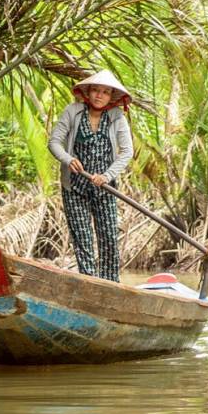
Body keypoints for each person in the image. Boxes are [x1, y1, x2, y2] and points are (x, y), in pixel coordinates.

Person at [47, 70, 134, 282]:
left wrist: (107, 175)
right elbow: (54, 142)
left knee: (109, 239)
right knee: (83, 239)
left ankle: (110, 285)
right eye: (95, 90)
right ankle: (90, 284)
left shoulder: (116, 118)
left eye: (105, 92)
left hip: (105, 188)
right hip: (75, 187)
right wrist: (68, 159)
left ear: (111, 96)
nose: (99, 95)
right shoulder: (73, 111)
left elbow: (127, 151)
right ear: (88, 91)